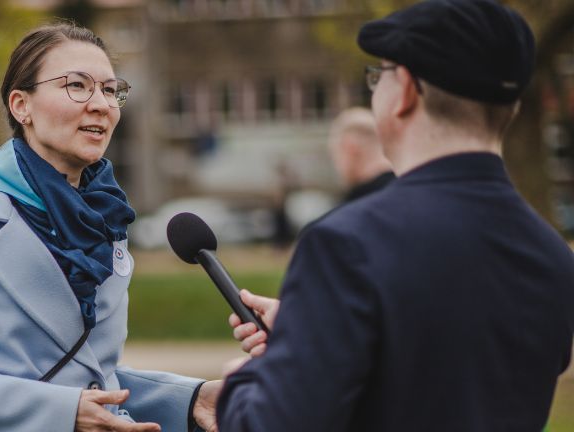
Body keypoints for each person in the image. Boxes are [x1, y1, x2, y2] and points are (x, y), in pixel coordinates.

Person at [217, 1, 574, 431]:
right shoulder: (553, 255)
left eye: (377, 75)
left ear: (404, 90)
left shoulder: (348, 244)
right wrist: (315, 329)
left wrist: (249, 379)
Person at [0, 22, 219, 432]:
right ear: (22, 106)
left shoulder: (108, 223)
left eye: (110, 90)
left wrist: (188, 398)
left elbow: (78, 375)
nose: (101, 104)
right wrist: (62, 412)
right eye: (77, 85)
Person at [328, 107, 394, 203]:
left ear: (350, 147)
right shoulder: (410, 189)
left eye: (335, 156)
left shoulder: (357, 204)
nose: (337, 167)